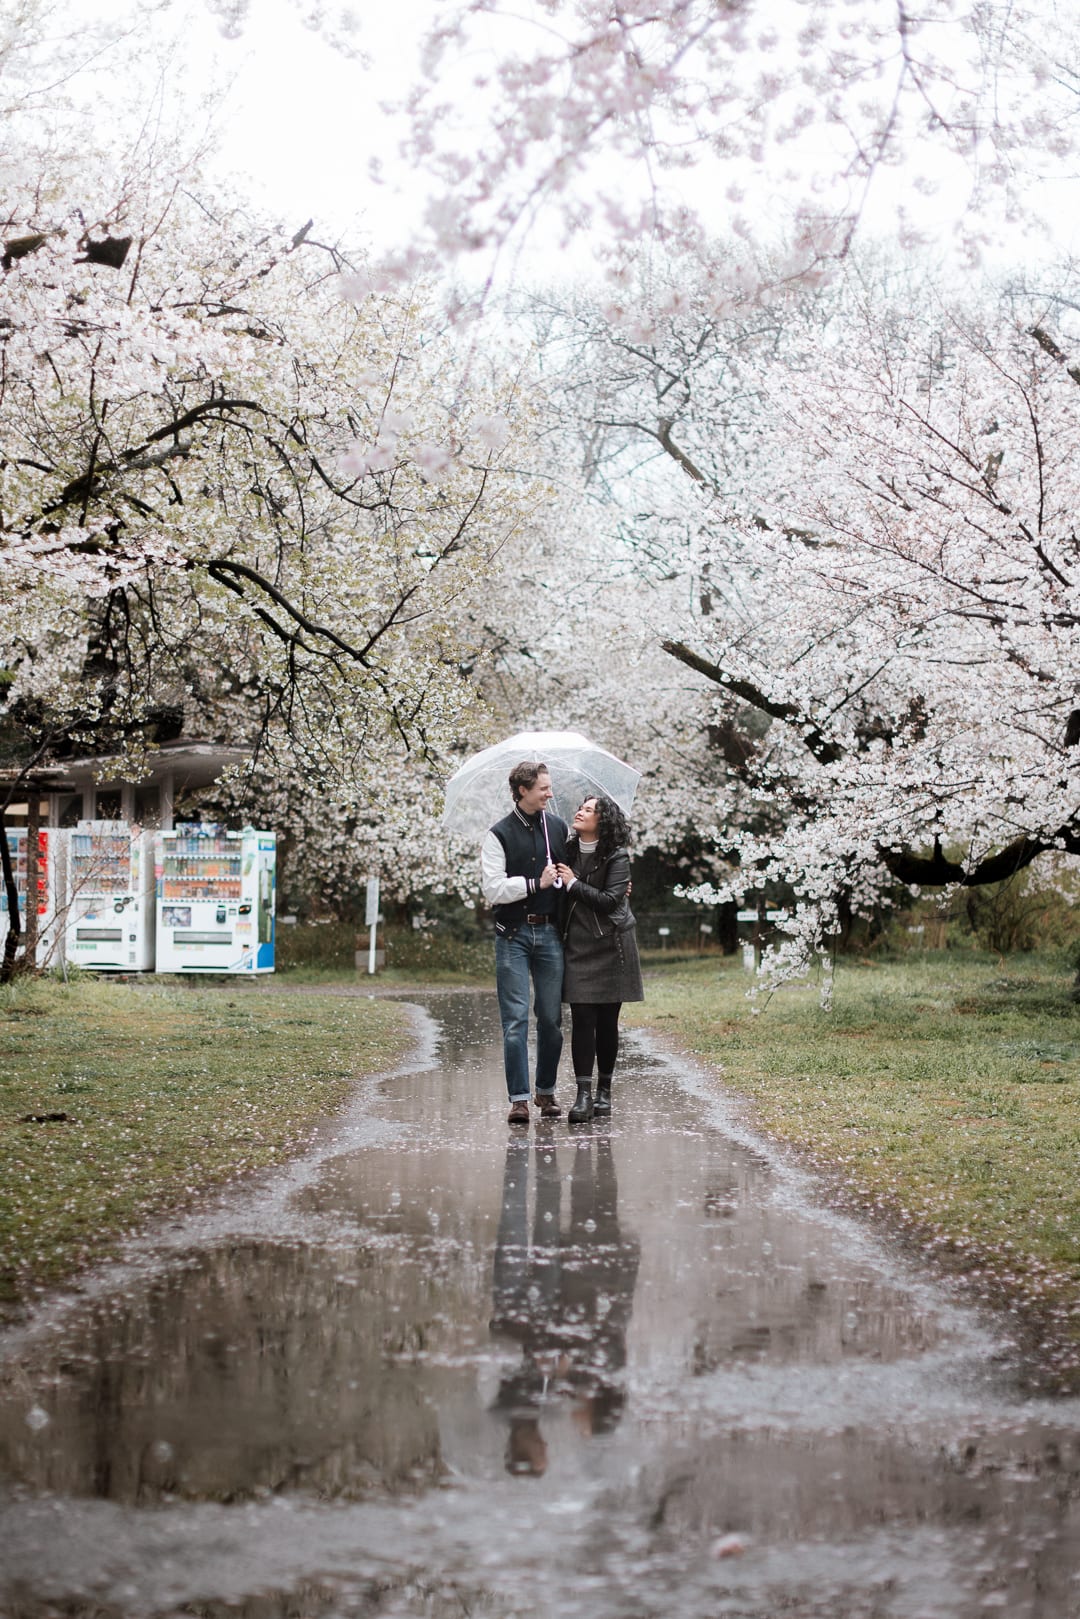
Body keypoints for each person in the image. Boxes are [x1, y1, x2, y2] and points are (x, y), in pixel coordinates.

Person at [481, 760, 569, 1123]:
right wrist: (535, 883)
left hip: (550, 933)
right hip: (513, 935)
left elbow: (575, 873)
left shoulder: (559, 828)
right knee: (515, 1019)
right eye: (543, 788)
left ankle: (545, 1092)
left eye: (549, 786)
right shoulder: (497, 835)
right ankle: (519, 1098)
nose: (550, 793)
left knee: (550, 1019)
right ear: (522, 791)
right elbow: (492, 889)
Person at [554, 795, 643, 1122]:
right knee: (582, 1019)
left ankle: (604, 1091)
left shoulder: (617, 855)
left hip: (611, 942)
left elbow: (608, 901)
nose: (580, 812)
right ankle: (583, 1095)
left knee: (607, 1021)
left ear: (602, 821)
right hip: (577, 943)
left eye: (589, 810)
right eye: (582, 807)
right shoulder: (566, 851)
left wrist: (574, 883)